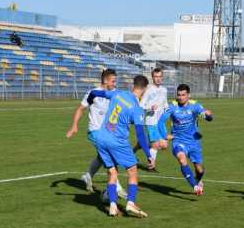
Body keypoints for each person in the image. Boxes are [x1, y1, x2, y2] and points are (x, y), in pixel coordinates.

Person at [87, 75, 154, 217]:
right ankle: (130, 203)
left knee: (112, 172)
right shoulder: (137, 108)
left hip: (101, 137)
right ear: (145, 89)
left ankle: (112, 206)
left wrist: (89, 100)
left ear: (133, 85)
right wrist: (149, 155)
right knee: (132, 170)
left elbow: (95, 93)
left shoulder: (118, 93)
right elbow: (141, 136)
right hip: (117, 141)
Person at [66, 68, 126, 199]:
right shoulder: (92, 93)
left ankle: (88, 176)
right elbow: (80, 109)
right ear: (105, 80)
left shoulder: (116, 94)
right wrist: (74, 126)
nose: (115, 84)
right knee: (110, 157)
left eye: (116, 81)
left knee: (103, 156)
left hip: (109, 132)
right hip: (95, 131)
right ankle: (116, 188)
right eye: (113, 81)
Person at [157, 84, 213, 196]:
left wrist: (208, 115)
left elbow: (207, 117)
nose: (180, 97)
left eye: (183, 95)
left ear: (188, 95)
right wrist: (165, 136)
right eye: (179, 95)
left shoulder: (194, 105)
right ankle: (195, 187)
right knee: (182, 159)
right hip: (178, 140)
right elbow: (160, 121)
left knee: (199, 169)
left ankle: (198, 179)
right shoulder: (172, 106)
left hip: (193, 141)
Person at [136, 68, 168, 169]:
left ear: (162, 77)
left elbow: (165, 103)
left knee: (164, 145)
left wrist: (169, 110)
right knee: (156, 145)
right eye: (155, 77)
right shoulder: (149, 90)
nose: (158, 79)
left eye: (159, 76)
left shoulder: (164, 90)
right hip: (150, 121)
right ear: (152, 77)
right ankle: (151, 165)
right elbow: (141, 105)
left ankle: (138, 146)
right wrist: (150, 108)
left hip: (159, 122)